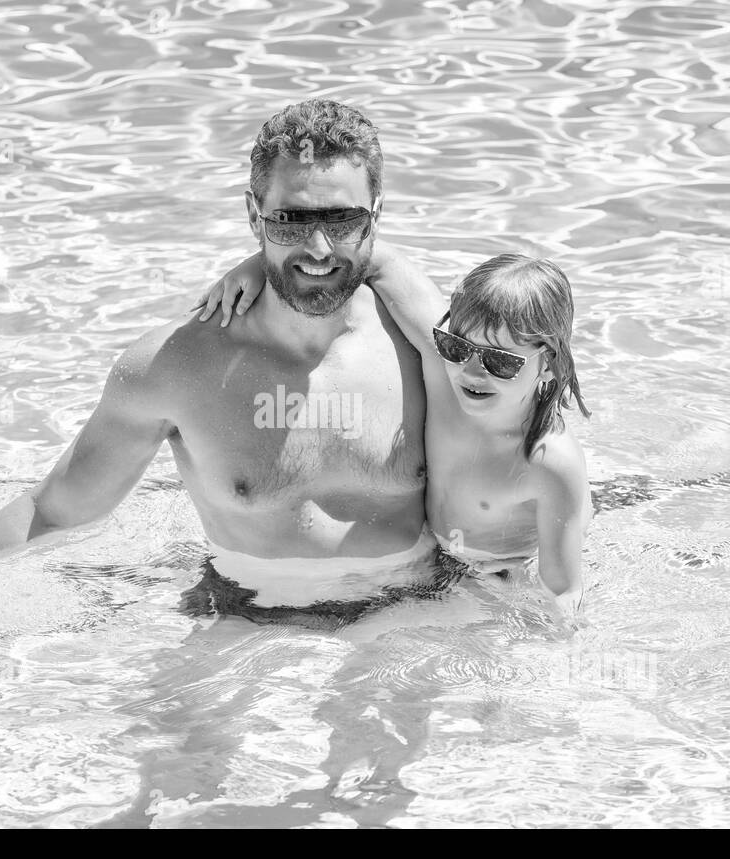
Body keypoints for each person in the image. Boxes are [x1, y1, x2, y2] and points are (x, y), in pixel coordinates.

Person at [0, 99, 438, 612]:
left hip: (406, 623)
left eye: (342, 221)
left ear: (376, 217)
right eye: (290, 220)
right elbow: (55, 511)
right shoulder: (175, 366)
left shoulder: (430, 350)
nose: (317, 248)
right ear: (254, 216)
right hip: (246, 626)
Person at [195, 245, 594, 621]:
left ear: (550, 367)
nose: (471, 371)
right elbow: (374, 258)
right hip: (434, 557)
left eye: (500, 361)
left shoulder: (548, 463)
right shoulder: (443, 376)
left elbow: (561, 590)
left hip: (499, 573)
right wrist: (259, 266)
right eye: (457, 347)